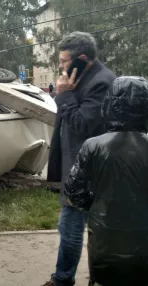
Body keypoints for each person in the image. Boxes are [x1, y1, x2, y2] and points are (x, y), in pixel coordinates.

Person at [43, 31, 116, 286]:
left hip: (88, 172)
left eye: (63, 61)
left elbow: (83, 126)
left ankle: (63, 280)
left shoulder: (102, 83)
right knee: (75, 227)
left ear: (81, 58)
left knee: (72, 228)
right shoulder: (82, 77)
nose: (60, 66)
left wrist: (63, 95)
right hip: (76, 168)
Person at [64, 76, 148, 286]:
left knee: (104, 279)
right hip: (144, 236)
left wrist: (97, 205)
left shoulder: (93, 146)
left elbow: (74, 191)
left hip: (105, 233)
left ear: (110, 104)